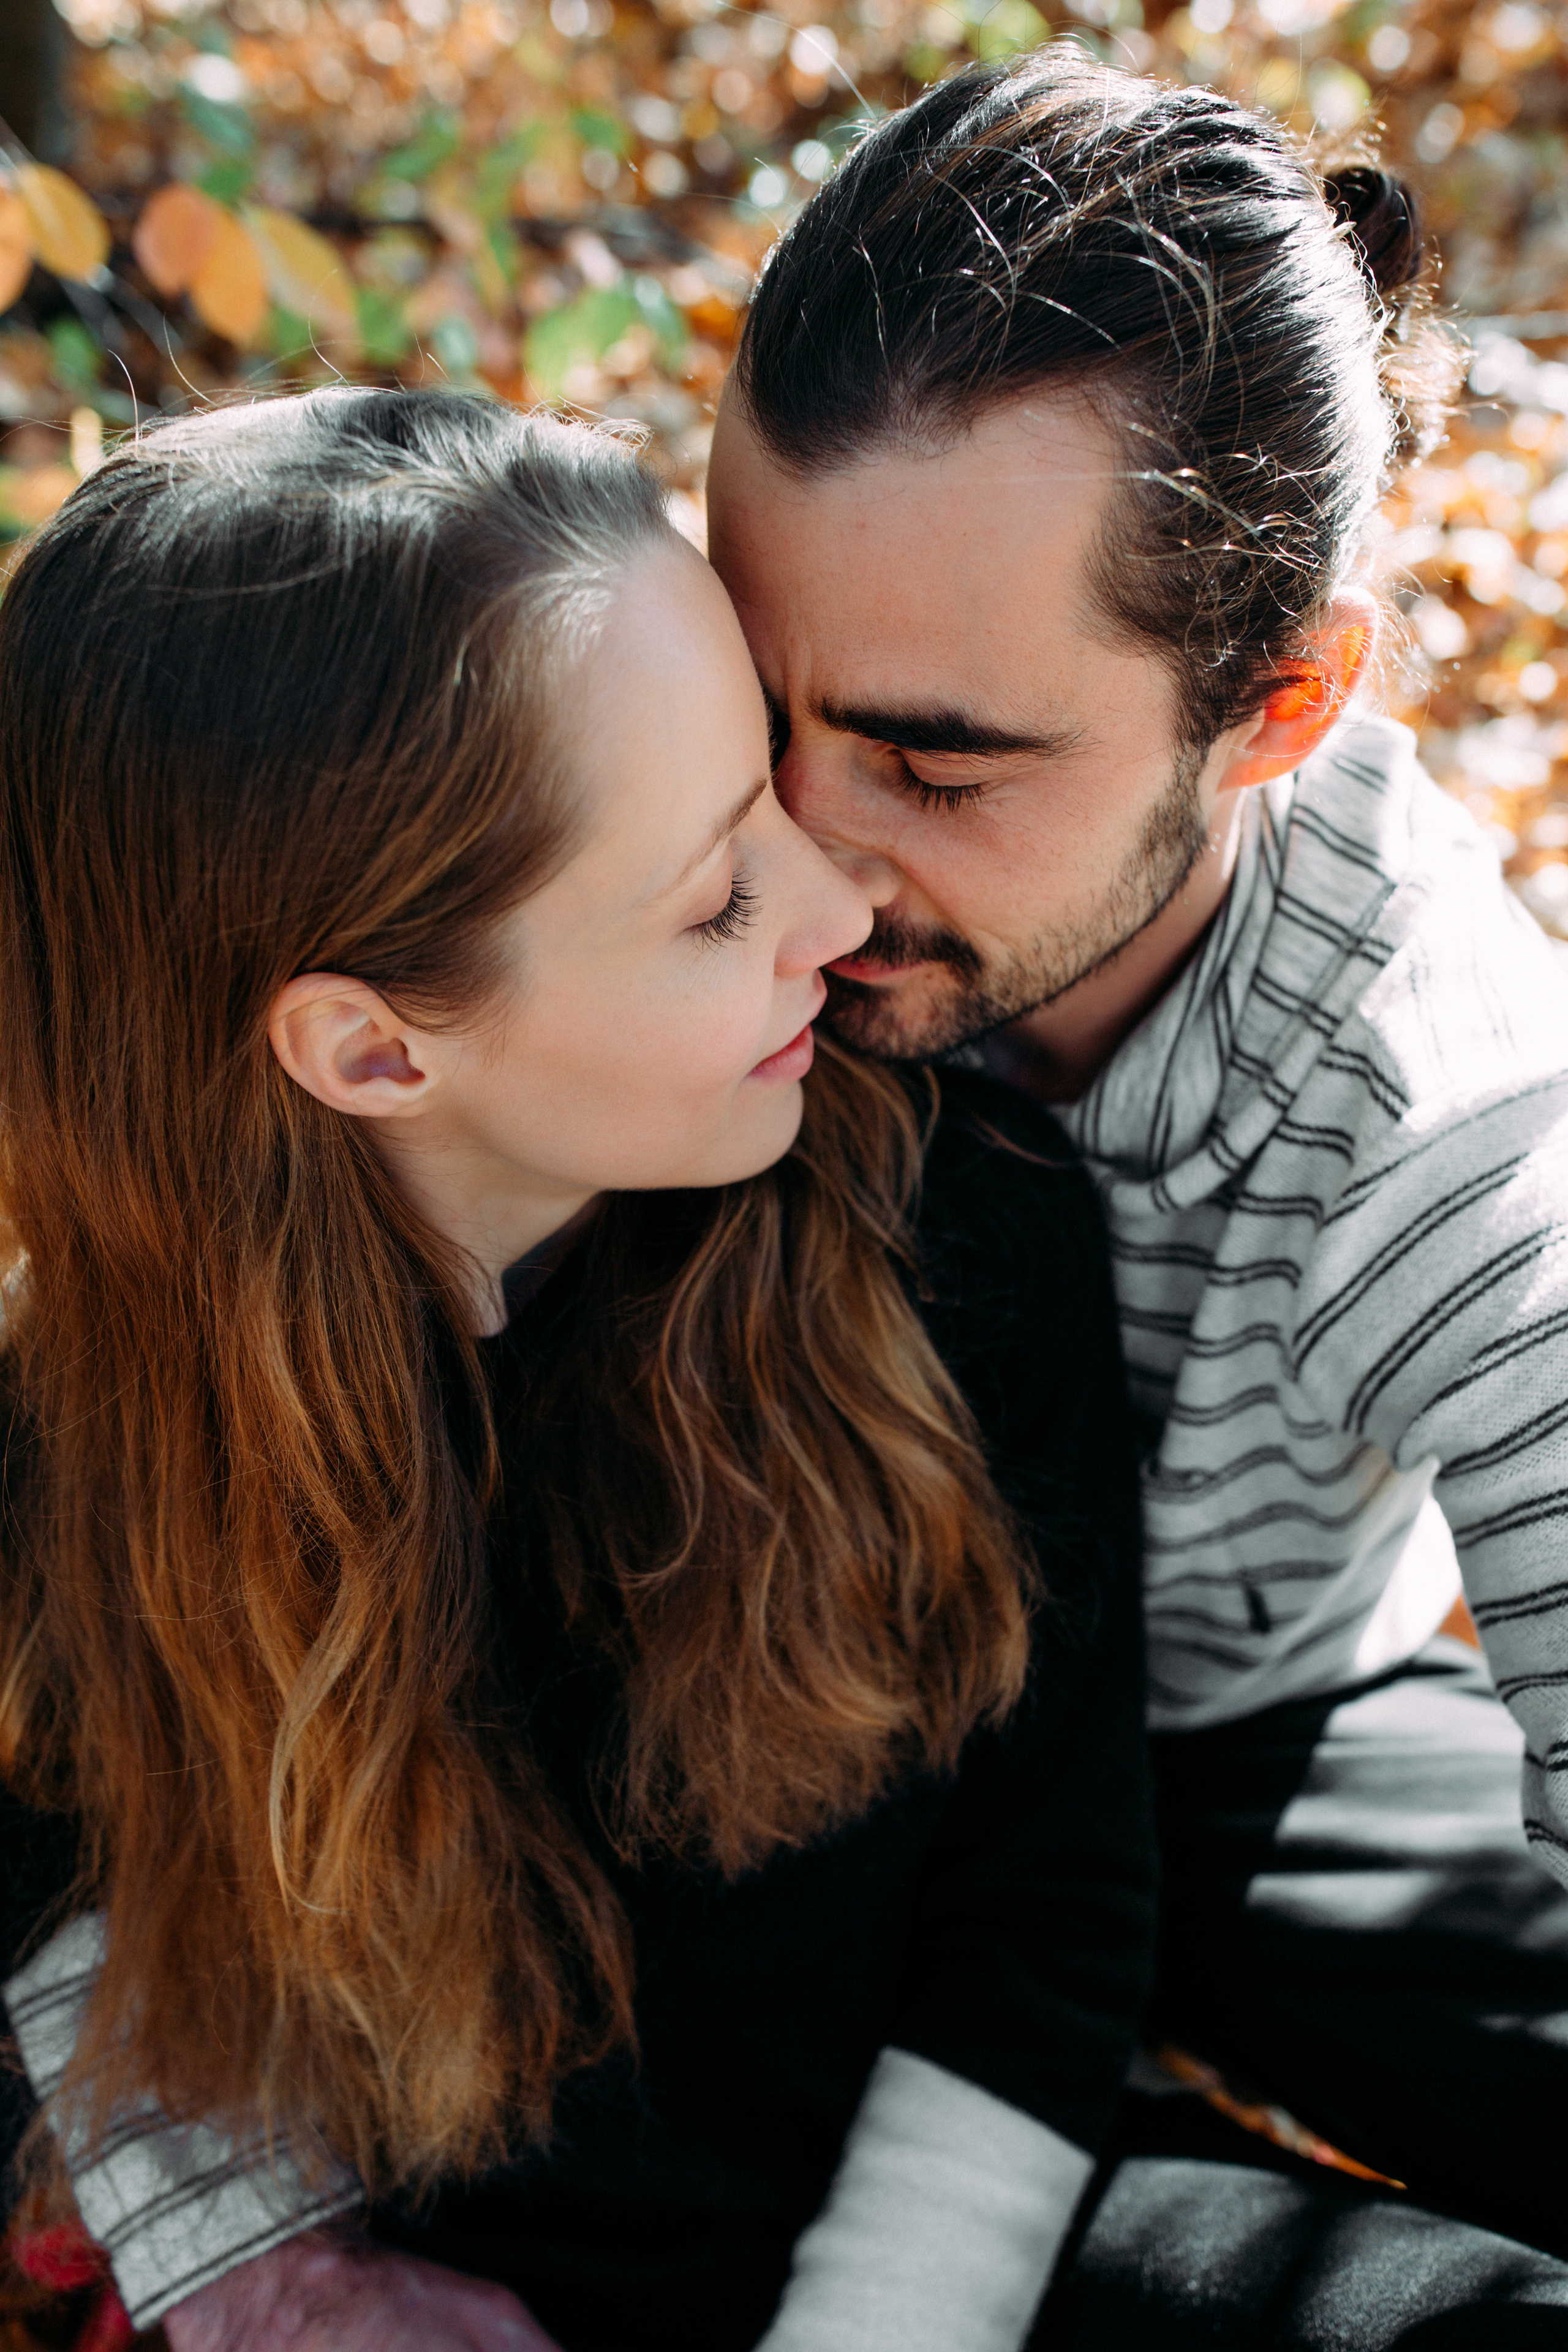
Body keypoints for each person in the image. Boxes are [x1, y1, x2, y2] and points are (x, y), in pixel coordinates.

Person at [0, 388, 1156, 2352]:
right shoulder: (68, 1453)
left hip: (958, 2267)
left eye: (770, 797)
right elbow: (52, 1888)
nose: (842, 908)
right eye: (716, 897)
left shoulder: (958, 1236)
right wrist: (272, 2278)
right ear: (372, 1051)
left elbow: (1041, 1928)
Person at [701, 42, 1568, 2343]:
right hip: (776, 1750)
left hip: (1251, 1743)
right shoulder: (624, 778)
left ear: (1277, 706)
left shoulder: (1447, 1136)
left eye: (933, 761)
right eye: (749, 692)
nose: (792, 852)